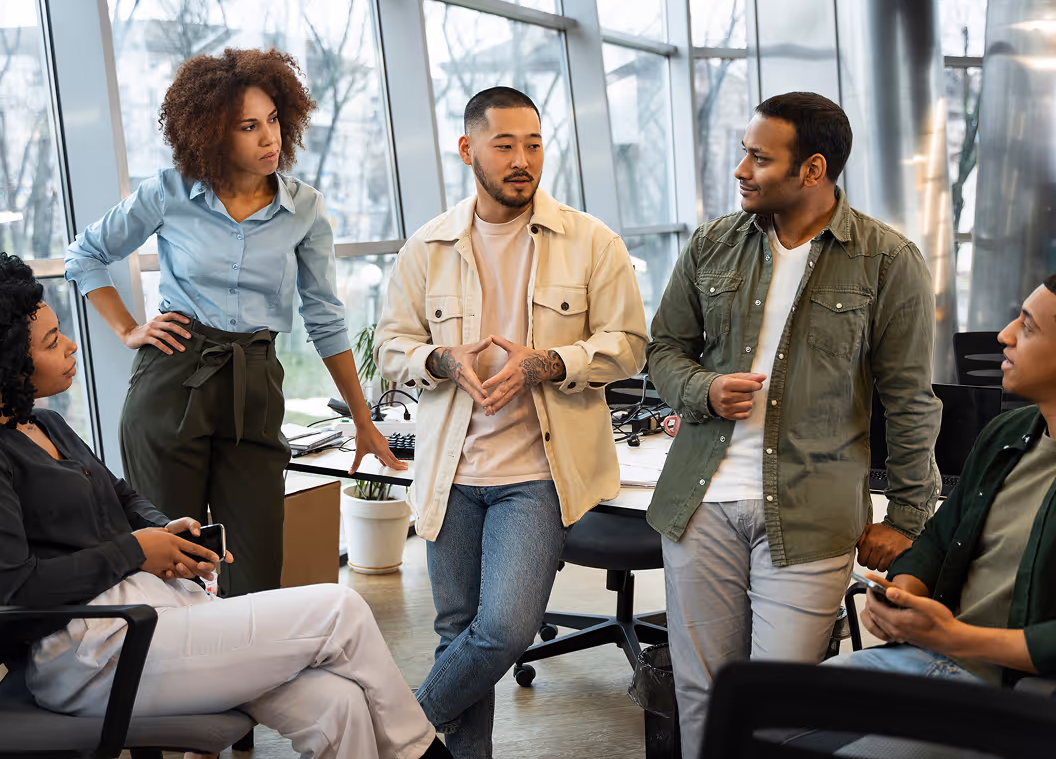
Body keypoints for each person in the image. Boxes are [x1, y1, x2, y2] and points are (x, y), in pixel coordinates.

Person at [0, 252, 450, 759]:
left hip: (151, 612)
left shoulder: (48, 425)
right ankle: (425, 753)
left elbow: (122, 497)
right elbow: (15, 588)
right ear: (10, 359)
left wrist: (164, 529)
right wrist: (134, 551)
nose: (71, 345)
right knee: (340, 607)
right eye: (51, 341)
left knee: (338, 704)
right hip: (90, 652)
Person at [646, 91, 943, 759]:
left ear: (812, 169)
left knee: (780, 709)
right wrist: (704, 388)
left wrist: (908, 517)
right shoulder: (714, 243)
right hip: (701, 501)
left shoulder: (887, 261)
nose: (741, 170)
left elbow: (910, 400)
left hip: (812, 511)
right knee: (704, 696)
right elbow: (662, 348)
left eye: (758, 157)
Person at [64, 48, 403, 598]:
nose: (269, 138)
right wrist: (130, 329)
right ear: (213, 132)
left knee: (258, 566)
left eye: (273, 120)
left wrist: (364, 419)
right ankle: (174, 682)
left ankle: (252, 680)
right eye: (249, 126)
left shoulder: (305, 210)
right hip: (173, 379)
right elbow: (85, 255)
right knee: (171, 561)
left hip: (255, 381)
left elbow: (325, 317)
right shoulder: (169, 192)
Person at [374, 86, 648, 758]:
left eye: (533, 143)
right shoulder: (428, 247)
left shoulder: (591, 242)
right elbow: (388, 349)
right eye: (505, 144)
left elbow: (631, 343)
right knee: (456, 629)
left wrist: (551, 362)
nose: (523, 159)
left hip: (536, 474)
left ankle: (391, 734)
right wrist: (437, 358)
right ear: (468, 150)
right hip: (450, 474)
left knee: (503, 628)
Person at [811, 268, 1056, 757]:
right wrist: (904, 594)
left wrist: (956, 635)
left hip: (1018, 695)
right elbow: (938, 538)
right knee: (757, 713)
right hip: (933, 657)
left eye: (1028, 326)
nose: (1004, 336)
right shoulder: (1007, 434)